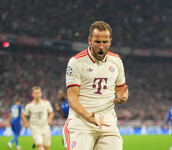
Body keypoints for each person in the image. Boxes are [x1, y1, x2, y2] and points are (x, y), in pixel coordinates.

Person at [63, 21, 128, 150]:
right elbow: (72, 98)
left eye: (105, 42)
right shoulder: (76, 62)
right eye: (97, 42)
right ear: (90, 41)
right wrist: (89, 117)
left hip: (107, 123)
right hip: (81, 123)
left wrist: (123, 96)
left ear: (110, 41)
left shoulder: (116, 61)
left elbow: (121, 88)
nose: (101, 46)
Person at [24, 86, 54, 150]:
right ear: (32, 94)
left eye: (39, 93)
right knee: (40, 146)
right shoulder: (29, 105)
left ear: (41, 93)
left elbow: (51, 112)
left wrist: (50, 119)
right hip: (35, 128)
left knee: (47, 147)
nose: (38, 94)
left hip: (45, 127)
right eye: (36, 93)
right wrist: (26, 123)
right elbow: (24, 115)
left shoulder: (46, 103)